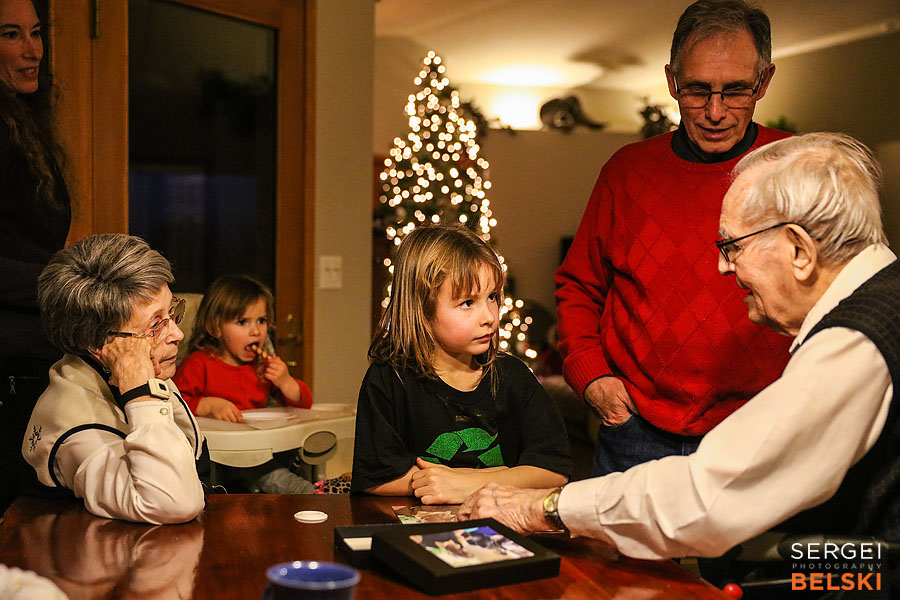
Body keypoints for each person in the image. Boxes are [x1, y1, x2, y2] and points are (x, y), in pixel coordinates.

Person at [460, 133, 897, 569]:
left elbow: (709, 498)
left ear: (800, 251)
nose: (724, 266)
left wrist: (541, 508)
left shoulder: (854, 343)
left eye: (734, 246)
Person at [554, 0, 793, 477]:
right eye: (697, 90)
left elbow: (845, 291)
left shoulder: (796, 165)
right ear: (671, 81)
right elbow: (579, 285)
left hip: (762, 431)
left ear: (763, 82)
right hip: (636, 430)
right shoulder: (626, 171)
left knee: (756, 557)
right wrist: (593, 376)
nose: (715, 111)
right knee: (617, 556)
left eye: (736, 91)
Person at [351, 223, 572, 503]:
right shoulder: (388, 379)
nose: (489, 316)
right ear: (421, 308)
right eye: (468, 303)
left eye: (492, 297)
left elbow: (554, 469)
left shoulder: (514, 377)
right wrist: (441, 483)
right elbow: (376, 476)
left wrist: (470, 483)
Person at [23, 234, 206, 524]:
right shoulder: (76, 429)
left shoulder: (129, 365)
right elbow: (174, 502)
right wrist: (141, 393)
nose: (177, 335)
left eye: (172, 312)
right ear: (97, 342)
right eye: (156, 324)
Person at [0, 0, 71, 513]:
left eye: (36, 32)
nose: (33, 50)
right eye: (11, 34)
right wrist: (71, 281)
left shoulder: (22, 125)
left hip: (30, 355)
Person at [173, 274, 316, 494]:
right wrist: (209, 405)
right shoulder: (199, 364)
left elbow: (303, 405)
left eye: (262, 320)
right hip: (220, 457)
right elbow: (174, 405)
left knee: (296, 454)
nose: (256, 331)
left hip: (260, 447)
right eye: (242, 322)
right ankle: (306, 492)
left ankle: (303, 491)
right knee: (264, 473)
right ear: (214, 329)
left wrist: (286, 381)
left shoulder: (262, 366)